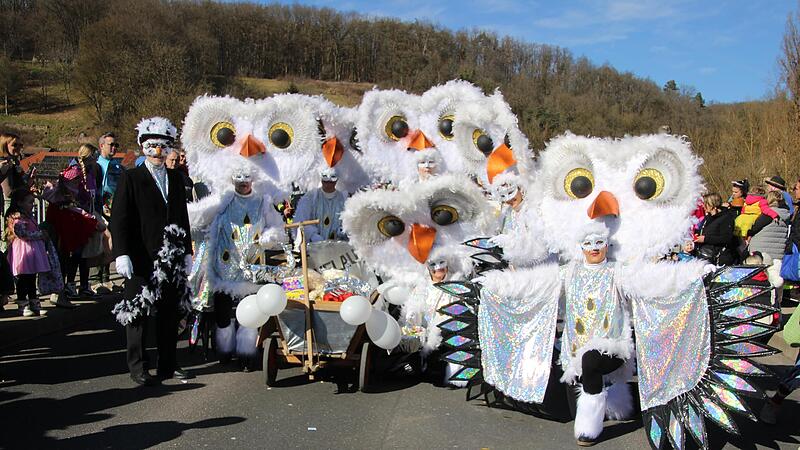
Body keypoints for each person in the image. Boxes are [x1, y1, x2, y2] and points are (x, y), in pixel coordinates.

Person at [110, 117, 193, 386]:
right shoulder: (131, 178)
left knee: (169, 313)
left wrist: (187, 251)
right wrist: (121, 253)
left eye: (163, 147)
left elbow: (182, 217)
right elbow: (119, 219)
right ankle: (138, 367)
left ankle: (168, 365)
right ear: (143, 146)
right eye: (152, 146)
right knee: (137, 313)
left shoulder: (176, 179)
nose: (158, 153)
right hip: (140, 257)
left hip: (171, 258)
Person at [190, 166, 286, 370]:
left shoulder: (263, 201)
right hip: (224, 265)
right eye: (238, 177)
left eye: (247, 177)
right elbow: (196, 217)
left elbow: (277, 227)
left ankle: (246, 353)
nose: (243, 181)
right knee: (223, 312)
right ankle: (224, 350)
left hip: (252, 266)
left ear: (253, 179)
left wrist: (269, 236)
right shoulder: (223, 200)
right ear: (231, 178)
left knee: (249, 311)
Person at [559, 223, 633, 447]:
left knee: (590, 359)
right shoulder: (569, 272)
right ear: (580, 247)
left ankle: (588, 430)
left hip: (612, 347)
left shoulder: (618, 271)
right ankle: (611, 403)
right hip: (574, 355)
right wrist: (497, 284)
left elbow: (650, 284)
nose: (593, 248)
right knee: (575, 400)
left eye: (598, 243)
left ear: (607, 245)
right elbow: (534, 287)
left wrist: (691, 275)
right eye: (588, 243)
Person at [6, 189, 50, 317]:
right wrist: (40, 234)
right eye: (30, 202)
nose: (32, 205)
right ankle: (22, 304)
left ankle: (34, 303)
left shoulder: (30, 217)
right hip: (22, 253)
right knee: (22, 280)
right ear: (20, 203)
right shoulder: (17, 218)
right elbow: (22, 234)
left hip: (32, 252)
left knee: (31, 279)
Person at [94, 132, 123, 290]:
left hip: (114, 209)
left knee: (110, 244)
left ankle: (106, 278)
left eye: (115, 145)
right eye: (110, 144)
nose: (113, 148)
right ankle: (95, 280)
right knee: (99, 243)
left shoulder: (117, 165)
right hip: (99, 208)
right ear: (101, 146)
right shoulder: (97, 164)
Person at [292, 167, 347, 243]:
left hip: (336, 247)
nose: (328, 184)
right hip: (314, 247)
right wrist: (312, 235)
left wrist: (342, 231)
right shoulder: (310, 197)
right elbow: (300, 221)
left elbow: (347, 221)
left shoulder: (343, 198)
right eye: (325, 180)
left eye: (332, 181)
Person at [695, 192, 739, 265]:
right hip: (705, 256)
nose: (703, 206)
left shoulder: (726, 218)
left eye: (706, 203)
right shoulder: (708, 217)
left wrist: (705, 239)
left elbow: (727, 238)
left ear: (712, 204)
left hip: (719, 258)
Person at [747, 190, 790, 262]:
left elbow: (754, 229)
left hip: (762, 252)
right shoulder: (786, 214)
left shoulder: (768, 214)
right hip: (778, 252)